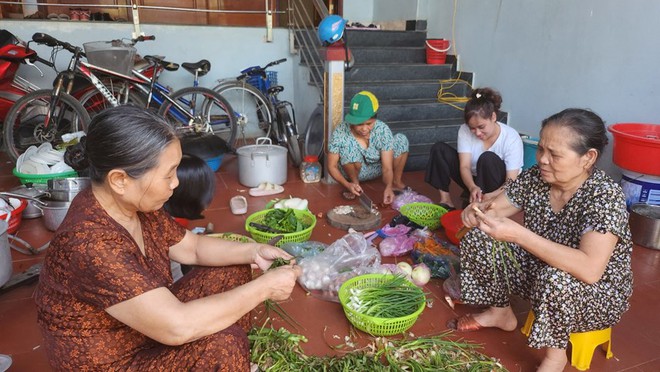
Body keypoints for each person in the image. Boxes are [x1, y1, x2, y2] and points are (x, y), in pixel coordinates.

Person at [35, 105, 301, 371]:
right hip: (113, 361)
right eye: (168, 173)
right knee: (223, 345)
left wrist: (254, 252)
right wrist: (265, 287)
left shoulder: (133, 204)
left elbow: (193, 248)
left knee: (230, 271)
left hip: (142, 328)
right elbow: (177, 326)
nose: (175, 183)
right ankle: (231, 360)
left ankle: (236, 362)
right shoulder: (90, 244)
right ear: (119, 180)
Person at [450, 108, 633, 372]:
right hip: (542, 269)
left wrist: (519, 234)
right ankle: (500, 311)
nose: (543, 160)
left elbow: (590, 270)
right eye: (541, 150)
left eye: (555, 154)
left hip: (597, 293)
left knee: (555, 279)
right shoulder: (538, 177)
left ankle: (555, 358)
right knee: (480, 238)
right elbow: (498, 208)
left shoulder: (604, 197)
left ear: (588, 158)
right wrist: (477, 212)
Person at [425, 87, 523, 209]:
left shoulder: (511, 137)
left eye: (481, 127)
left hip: (500, 186)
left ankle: (485, 202)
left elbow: (511, 181)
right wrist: (472, 187)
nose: (477, 133)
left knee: (487, 157)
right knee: (439, 149)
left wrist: (492, 195)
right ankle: (446, 201)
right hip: (474, 178)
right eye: (472, 128)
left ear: (493, 117)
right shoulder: (465, 130)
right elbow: (464, 166)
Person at [327, 91, 409, 205]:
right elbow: (331, 166)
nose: (365, 129)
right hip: (352, 172)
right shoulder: (341, 132)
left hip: (377, 169)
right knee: (348, 147)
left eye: (369, 123)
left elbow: (387, 168)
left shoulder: (382, 129)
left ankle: (396, 182)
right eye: (359, 124)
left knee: (401, 139)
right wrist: (347, 184)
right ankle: (355, 186)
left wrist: (388, 187)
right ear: (351, 122)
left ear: (375, 119)